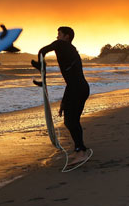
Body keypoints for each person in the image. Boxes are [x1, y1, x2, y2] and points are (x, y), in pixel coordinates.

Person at [33, 26, 92, 167]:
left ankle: (80, 152)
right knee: (72, 121)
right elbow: (72, 81)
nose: (57, 37)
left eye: (59, 34)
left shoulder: (61, 44)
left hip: (77, 89)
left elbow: (42, 51)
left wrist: (41, 67)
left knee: (71, 121)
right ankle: (80, 149)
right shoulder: (72, 50)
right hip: (79, 88)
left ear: (67, 36)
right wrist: (64, 103)